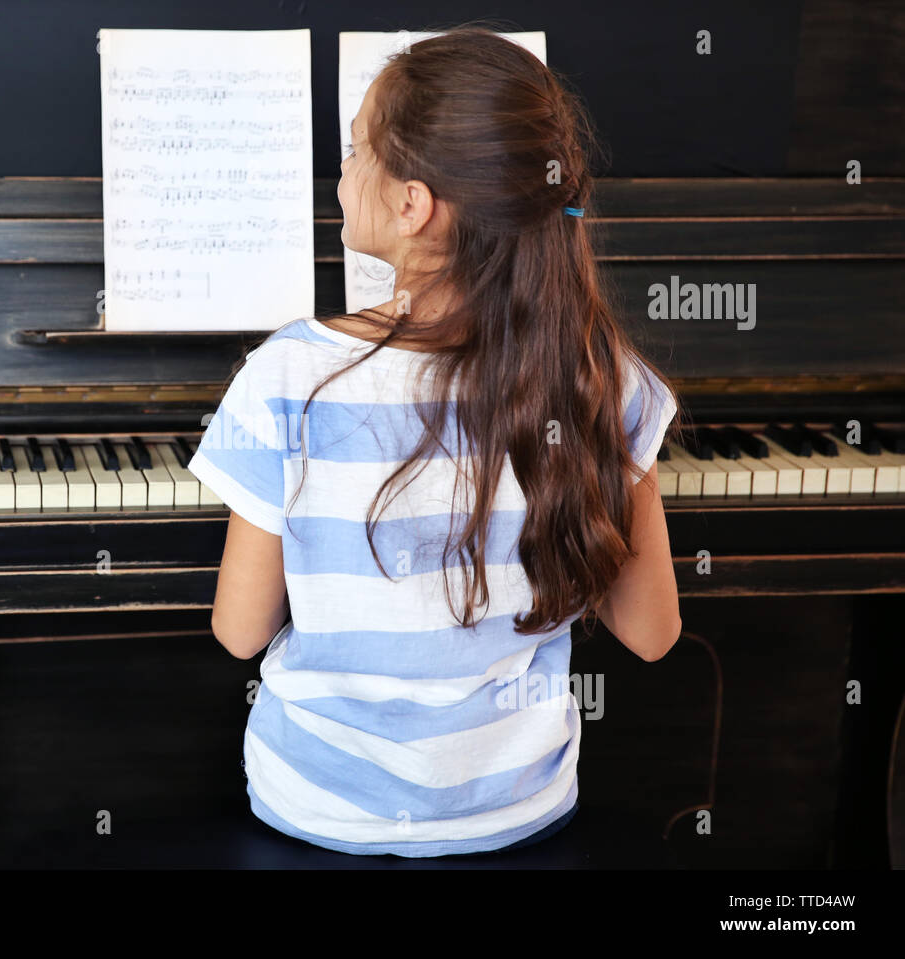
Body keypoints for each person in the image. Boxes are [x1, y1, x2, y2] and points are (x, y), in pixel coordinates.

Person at [186, 24, 682, 858]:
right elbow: (654, 633)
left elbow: (239, 631)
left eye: (353, 152)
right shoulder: (602, 378)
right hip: (517, 810)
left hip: (320, 808)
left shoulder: (291, 375)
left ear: (413, 204)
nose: (341, 175)